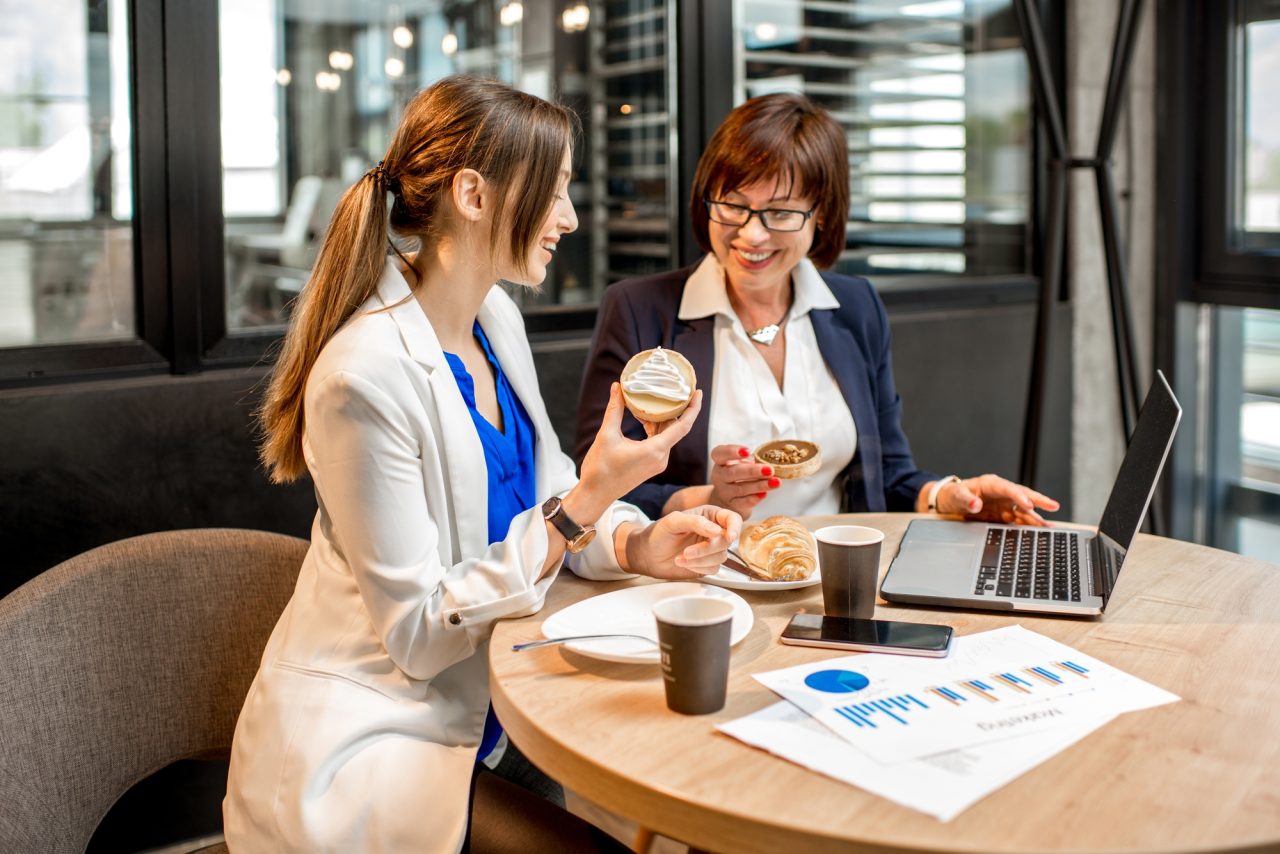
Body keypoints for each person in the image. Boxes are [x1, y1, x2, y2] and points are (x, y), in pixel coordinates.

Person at [223, 76, 740, 853]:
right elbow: (422, 635)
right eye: (556, 192)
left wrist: (633, 541)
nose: (568, 219)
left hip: (499, 707)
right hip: (386, 736)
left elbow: (542, 490)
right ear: (472, 192)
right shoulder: (360, 377)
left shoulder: (494, 316)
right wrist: (590, 499)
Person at [575, 93, 1058, 525]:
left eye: (781, 212)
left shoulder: (854, 307)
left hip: (831, 576)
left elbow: (885, 472)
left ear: (821, 212)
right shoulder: (641, 310)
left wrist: (948, 495)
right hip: (701, 580)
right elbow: (597, 482)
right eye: (733, 205)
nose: (751, 234)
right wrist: (708, 497)